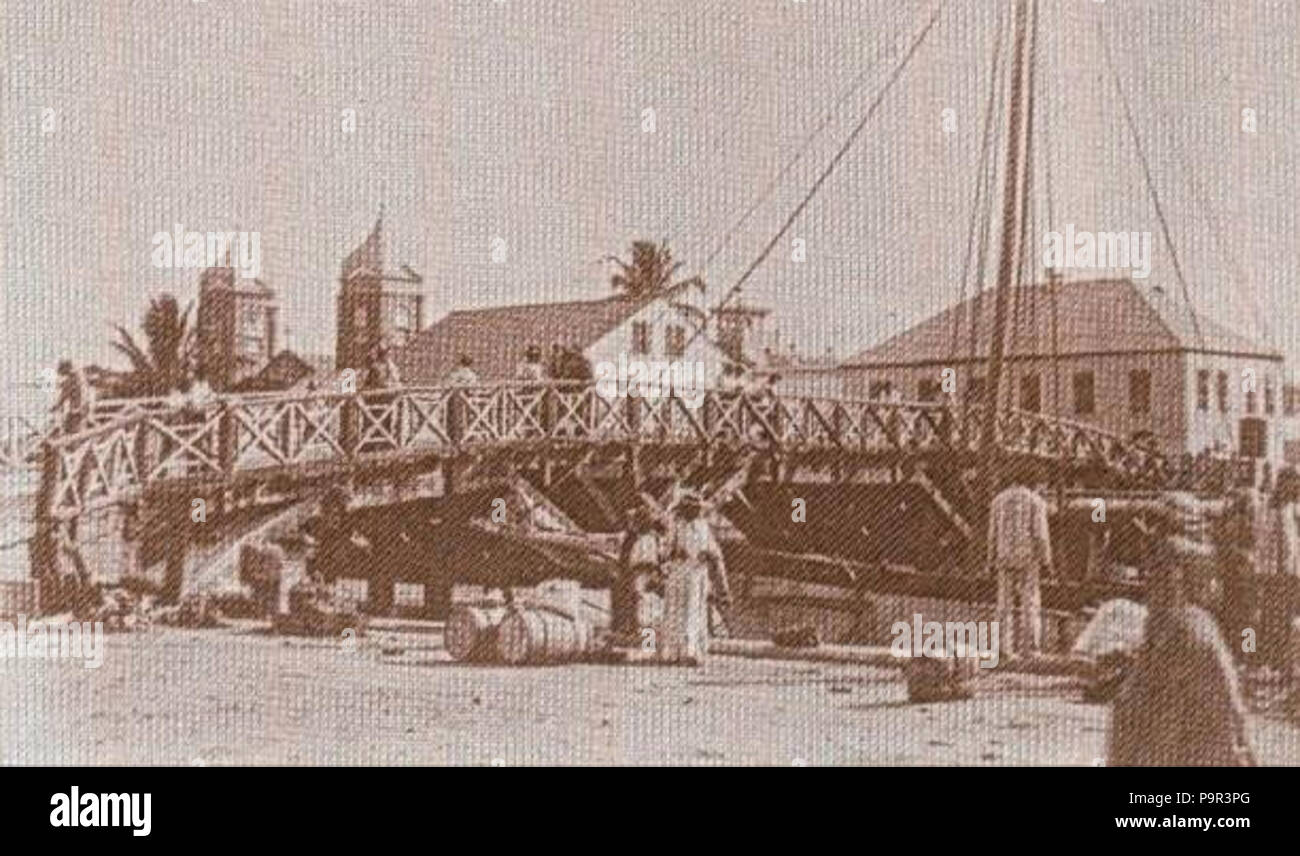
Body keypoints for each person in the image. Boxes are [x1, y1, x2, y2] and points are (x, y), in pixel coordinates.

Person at [1108, 536, 1256, 766]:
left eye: (1164, 580)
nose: (1153, 589)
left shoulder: (1191, 630)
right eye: (1153, 578)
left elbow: (1228, 710)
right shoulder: (1163, 623)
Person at [986, 468, 1053, 657]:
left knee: (1003, 605)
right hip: (1028, 559)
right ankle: (1030, 648)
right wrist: (1047, 561)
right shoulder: (1036, 501)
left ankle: (1002, 648)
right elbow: (1041, 536)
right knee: (1030, 602)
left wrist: (990, 560)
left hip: (1004, 557)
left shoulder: (998, 500)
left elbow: (992, 534)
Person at [610, 507, 665, 646]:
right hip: (639, 575)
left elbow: (647, 562)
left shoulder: (647, 539)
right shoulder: (642, 538)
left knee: (646, 612)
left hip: (643, 576)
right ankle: (643, 642)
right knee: (641, 611)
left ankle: (649, 645)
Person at [53, 359, 93, 435]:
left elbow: (63, 397)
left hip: (77, 411)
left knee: (70, 429)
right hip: (85, 409)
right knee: (78, 426)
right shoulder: (80, 376)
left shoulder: (71, 380)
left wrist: (55, 406)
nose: (62, 375)